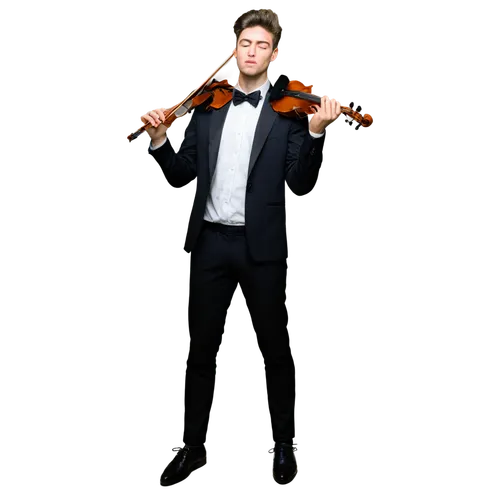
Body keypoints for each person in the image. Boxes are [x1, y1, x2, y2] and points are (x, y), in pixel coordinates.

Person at [141, 7, 341, 487]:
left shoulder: (292, 111)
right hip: (209, 244)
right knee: (199, 350)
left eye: (262, 46)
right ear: (235, 49)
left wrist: (315, 134)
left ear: (275, 53)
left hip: (263, 250)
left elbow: (298, 188)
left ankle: (285, 446)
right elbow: (184, 173)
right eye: (245, 44)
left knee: (275, 352)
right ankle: (192, 448)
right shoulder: (208, 106)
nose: (252, 53)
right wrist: (161, 140)